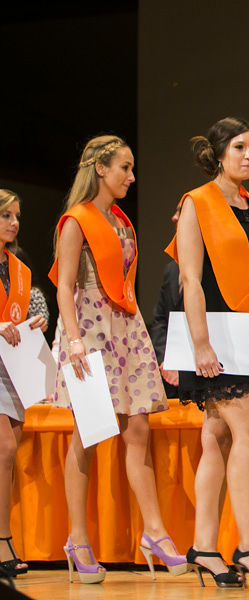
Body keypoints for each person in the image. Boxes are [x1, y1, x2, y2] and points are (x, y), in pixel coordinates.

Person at [49, 135, 186, 584]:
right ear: (101, 169)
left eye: (131, 168)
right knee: (88, 436)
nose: (131, 176)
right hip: (87, 329)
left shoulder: (122, 221)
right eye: (124, 168)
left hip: (124, 326)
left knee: (138, 428)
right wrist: (72, 340)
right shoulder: (76, 221)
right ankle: (77, 537)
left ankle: (155, 532)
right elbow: (64, 285)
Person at [167, 118, 249, 588]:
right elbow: (190, 279)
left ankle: (204, 547)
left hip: (248, 331)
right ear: (218, 153)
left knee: (217, 436)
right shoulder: (197, 202)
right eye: (240, 147)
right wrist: (201, 343)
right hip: (214, 333)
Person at [0, 190, 49, 578]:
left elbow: (22, 315)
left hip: (13, 368)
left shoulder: (20, 269)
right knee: (4, 450)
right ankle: (2, 541)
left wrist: (35, 325)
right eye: (5, 215)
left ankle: (3, 538)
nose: (13, 222)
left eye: (16, 216)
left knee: (9, 454)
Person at [150, 205, 183, 399]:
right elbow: (161, 320)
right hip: (170, 375)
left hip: (205, 373)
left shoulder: (215, 266)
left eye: (179, 211)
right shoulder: (172, 269)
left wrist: (185, 365)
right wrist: (167, 360)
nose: (173, 217)